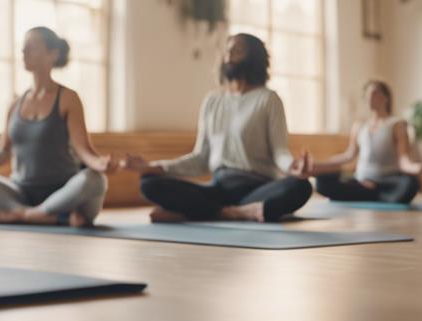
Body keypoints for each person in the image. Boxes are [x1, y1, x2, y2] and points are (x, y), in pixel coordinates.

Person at [124, 33, 313, 223]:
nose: (228, 55)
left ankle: (198, 212)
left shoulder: (268, 99)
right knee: (148, 183)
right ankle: (236, 213)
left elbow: (279, 151)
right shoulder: (212, 101)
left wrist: (292, 166)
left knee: (301, 187)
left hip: (256, 189)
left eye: (237, 51)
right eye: (227, 50)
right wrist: (153, 167)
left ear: (253, 57)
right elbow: (200, 158)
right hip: (218, 188)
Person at [0, 27, 117, 227]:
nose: (23, 51)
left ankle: (28, 215)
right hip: (21, 192)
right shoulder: (16, 103)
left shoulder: (68, 98)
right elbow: (1, 153)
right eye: (23, 46)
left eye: (31, 47)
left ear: (53, 54)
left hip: (64, 192)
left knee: (95, 180)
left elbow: (83, 150)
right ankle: (45, 216)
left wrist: (100, 164)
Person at [312, 80, 422, 204]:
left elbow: (403, 161)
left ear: (386, 98)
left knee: (411, 184)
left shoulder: (397, 124)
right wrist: (319, 166)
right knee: (321, 182)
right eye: (367, 95)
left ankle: (368, 193)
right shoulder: (358, 126)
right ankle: (373, 194)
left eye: (374, 93)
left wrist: (418, 168)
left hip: (387, 182)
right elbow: (348, 155)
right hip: (361, 181)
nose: (369, 97)